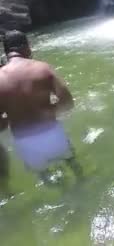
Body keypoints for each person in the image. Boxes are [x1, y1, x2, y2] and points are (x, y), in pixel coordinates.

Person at [0, 30, 82, 181]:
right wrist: (48, 112)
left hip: (26, 143)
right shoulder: (42, 68)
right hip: (53, 134)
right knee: (75, 169)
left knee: (47, 179)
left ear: (6, 52)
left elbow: (1, 126)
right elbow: (67, 102)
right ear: (26, 47)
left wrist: (11, 118)